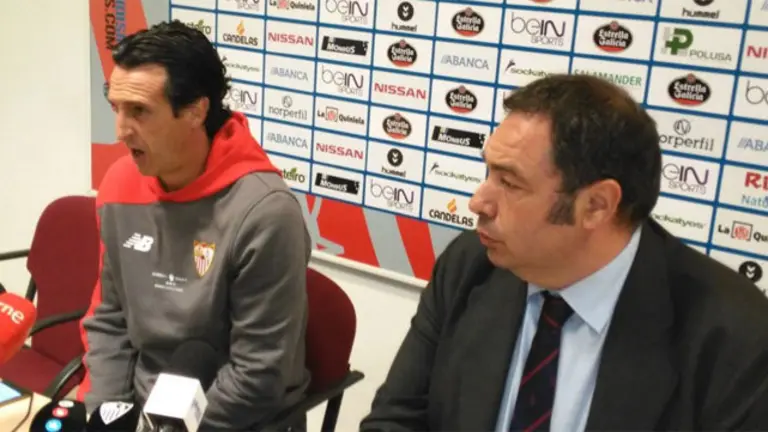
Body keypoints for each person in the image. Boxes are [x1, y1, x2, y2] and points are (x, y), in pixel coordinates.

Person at [359, 74, 768, 431]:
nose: (478, 202)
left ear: (596, 206)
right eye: (489, 172)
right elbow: (396, 418)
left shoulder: (733, 336)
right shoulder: (470, 265)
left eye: (510, 183)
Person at [77, 20, 311, 430]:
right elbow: (110, 322)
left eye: (139, 111)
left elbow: (257, 377)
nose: (121, 132)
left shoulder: (265, 214)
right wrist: (105, 416)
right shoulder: (120, 184)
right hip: (138, 410)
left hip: (230, 417)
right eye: (117, 108)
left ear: (195, 111)